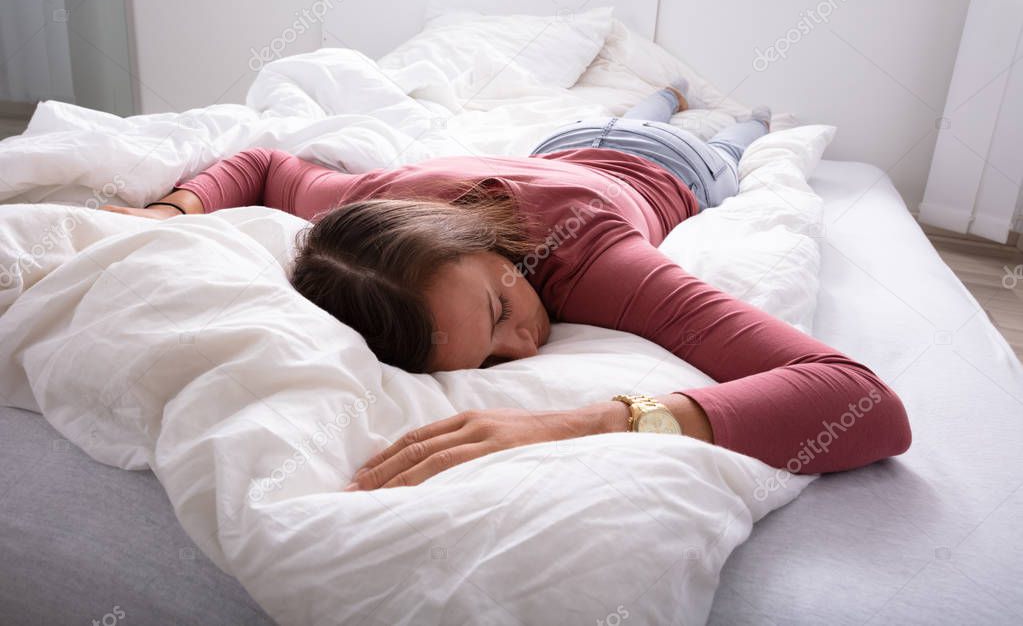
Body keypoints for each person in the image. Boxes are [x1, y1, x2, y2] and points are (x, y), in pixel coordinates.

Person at [99, 83, 911, 491]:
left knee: (719, 136)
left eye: (500, 308)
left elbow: (860, 402)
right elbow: (267, 166)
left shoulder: (595, 260)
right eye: (492, 358)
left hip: (678, 171)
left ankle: (738, 117)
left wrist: (593, 421)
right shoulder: (365, 214)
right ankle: (662, 96)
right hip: (562, 142)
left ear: (495, 246)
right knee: (635, 110)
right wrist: (168, 212)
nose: (526, 343)